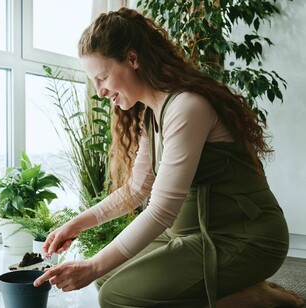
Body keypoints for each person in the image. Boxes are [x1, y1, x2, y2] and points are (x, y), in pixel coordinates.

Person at [34, 7, 304, 308]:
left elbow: (162, 210)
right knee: (105, 280)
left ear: (132, 59)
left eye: (103, 77)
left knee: (115, 297)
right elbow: (136, 191)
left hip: (244, 239)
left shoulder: (187, 107)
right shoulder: (153, 115)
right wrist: (76, 225)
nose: (100, 92)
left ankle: (251, 298)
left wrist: (94, 263)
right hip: (192, 237)